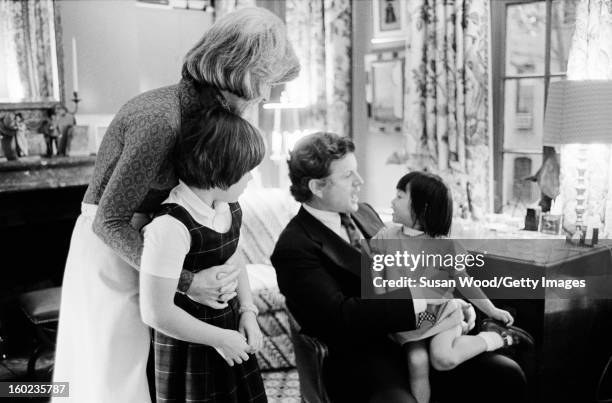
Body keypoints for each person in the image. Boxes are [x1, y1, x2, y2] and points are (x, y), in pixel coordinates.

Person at [52, 7, 299, 403]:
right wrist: (189, 281)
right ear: (238, 69)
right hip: (113, 251)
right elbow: (109, 221)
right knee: (117, 380)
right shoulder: (161, 120)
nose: (265, 95)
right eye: (266, 81)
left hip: (155, 245)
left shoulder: (204, 116)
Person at [271, 132, 528, 403]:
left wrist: (447, 303)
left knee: (506, 375)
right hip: (364, 354)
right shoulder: (295, 248)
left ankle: (493, 340)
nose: (360, 181)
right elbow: (342, 317)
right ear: (317, 187)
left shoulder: (364, 212)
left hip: (416, 333)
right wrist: (429, 303)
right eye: (348, 176)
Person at [371, 171, 533, 403]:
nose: (392, 202)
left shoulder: (446, 247)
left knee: (443, 358)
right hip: (406, 317)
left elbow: (464, 283)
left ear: (422, 208)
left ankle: (496, 338)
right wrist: (381, 302)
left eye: (399, 197)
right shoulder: (386, 236)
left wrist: (493, 311)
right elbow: (375, 270)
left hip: (442, 314)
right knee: (417, 362)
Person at [140, 107, 266, 402]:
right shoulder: (171, 225)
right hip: (189, 344)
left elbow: (234, 259)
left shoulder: (229, 205)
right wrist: (219, 339)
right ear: (219, 168)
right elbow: (156, 312)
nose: (250, 177)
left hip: (228, 330)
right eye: (245, 169)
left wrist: (248, 311)